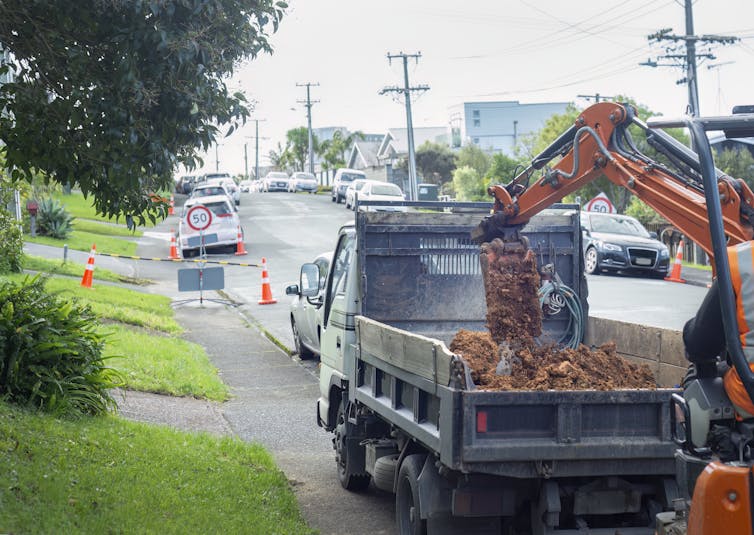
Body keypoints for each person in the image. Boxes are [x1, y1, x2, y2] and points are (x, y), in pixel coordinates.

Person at [683, 240, 754, 418]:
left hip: (748, 396)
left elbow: (700, 343)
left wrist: (689, 330)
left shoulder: (740, 260)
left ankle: (713, 441)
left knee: (699, 378)